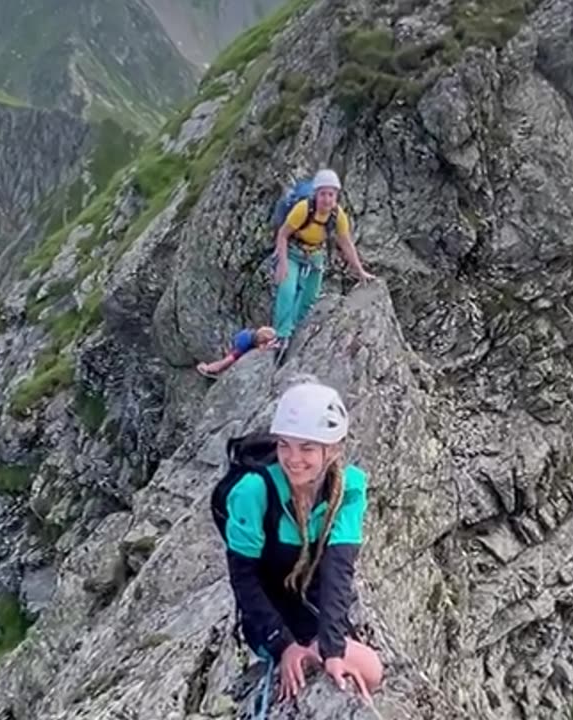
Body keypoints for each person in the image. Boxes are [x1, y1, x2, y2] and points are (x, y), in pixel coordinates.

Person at [221, 381, 384, 704]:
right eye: (285, 445)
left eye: (307, 448)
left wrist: (333, 648)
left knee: (368, 671)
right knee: (366, 668)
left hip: (310, 598)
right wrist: (283, 645)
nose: (293, 459)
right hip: (266, 610)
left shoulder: (349, 488)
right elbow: (244, 578)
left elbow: (339, 570)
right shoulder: (253, 492)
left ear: (333, 449)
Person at [271, 169, 375, 354]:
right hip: (293, 252)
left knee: (310, 297)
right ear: (316, 194)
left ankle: (293, 329)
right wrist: (283, 263)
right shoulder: (303, 209)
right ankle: (281, 336)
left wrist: (360, 270)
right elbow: (283, 234)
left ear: (336, 196)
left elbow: (346, 244)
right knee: (287, 290)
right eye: (323, 194)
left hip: (315, 256)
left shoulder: (337, 215)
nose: (327, 199)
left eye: (331, 194)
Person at [197, 326, 278, 378]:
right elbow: (226, 361)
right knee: (228, 361)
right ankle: (209, 368)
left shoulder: (256, 334)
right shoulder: (245, 345)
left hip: (240, 338)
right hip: (237, 346)